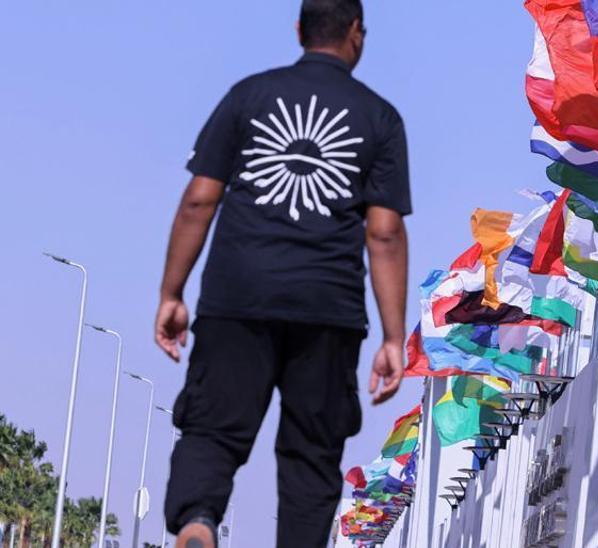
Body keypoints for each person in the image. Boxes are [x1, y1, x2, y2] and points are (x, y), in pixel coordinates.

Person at [153, 0, 410, 545]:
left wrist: (171, 292)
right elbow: (384, 232)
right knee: (311, 455)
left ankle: (198, 519)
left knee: (213, 429)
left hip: (237, 295)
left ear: (299, 31)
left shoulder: (248, 96)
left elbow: (199, 200)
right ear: (357, 34)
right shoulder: (379, 118)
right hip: (328, 307)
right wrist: (393, 336)